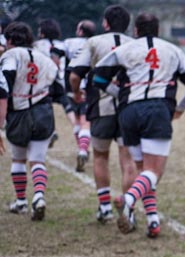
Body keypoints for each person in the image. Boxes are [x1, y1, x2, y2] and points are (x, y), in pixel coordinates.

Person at [92, 12, 185, 238]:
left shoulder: (125, 49)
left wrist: (121, 94)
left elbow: (99, 78)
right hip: (157, 110)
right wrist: (179, 108)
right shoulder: (172, 50)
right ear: (159, 30)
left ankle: (152, 220)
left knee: (143, 171)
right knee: (154, 171)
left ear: (135, 31)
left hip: (128, 112)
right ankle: (128, 200)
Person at [70, 4, 137, 224]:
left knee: (100, 156)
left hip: (100, 106)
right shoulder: (135, 45)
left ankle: (105, 207)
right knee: (128, 159)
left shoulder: (94, 42)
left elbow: (74, 75)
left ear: (105, 23)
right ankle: (129, 209)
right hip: (128, 107)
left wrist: (77, 93)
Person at [2, 21, 64, 221]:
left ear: (10, 40)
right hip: (42, 111)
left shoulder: (10, 56)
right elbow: (58, 88)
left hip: (19, 112)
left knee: (19, 158)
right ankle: (39, 196)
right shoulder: (44, 58)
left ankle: (21, 201)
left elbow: (4, 84)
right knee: (38, 159)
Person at [34, 19, 81, 167]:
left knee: (44, 106)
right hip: (60, 81)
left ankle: (52, 131)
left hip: (44, 82)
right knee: (67, 105)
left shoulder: (36, 45)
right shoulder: (63, 45)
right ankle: (77, 128)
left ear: (42, 31)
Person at [64, 19, 96, 173]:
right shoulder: (94, 43)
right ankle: (83, 150)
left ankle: (81, 148)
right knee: (86, 122)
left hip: (72, 85)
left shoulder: (69, 42)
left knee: (77, 120)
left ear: (81, 31)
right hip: (88, 87)